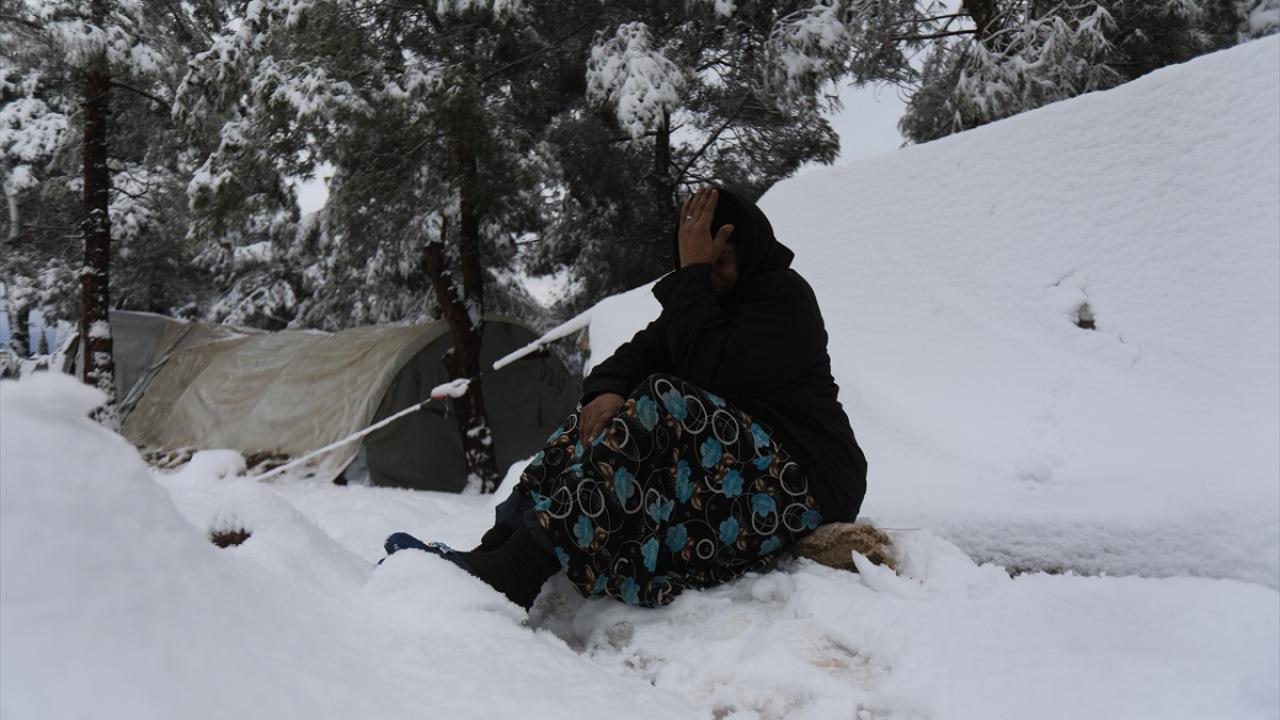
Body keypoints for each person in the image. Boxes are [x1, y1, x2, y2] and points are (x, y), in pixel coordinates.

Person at [384, 186, 867, 610]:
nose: (712, 273)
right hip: (740, 470)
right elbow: (634, 356)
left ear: (750, 252)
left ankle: (519, 570)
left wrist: (692, 275)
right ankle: (497, 549)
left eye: (721, 260)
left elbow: (714, 374)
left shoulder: (784, 297)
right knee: (603, 411)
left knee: (662, 398)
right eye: (702, 259)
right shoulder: (702, 303)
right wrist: (606, 392)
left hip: (809, 477)